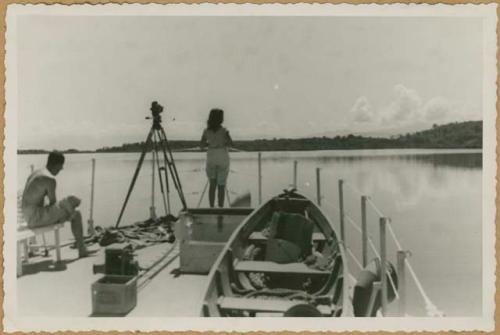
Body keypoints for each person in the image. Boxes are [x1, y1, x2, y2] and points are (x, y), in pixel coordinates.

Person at [21, 152, 89, 257]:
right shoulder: (50, 179)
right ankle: (82, 249)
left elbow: (48, 205)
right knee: (75, 210)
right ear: (56, 164)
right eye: (61, 165)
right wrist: (69, 206)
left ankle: (81, 247)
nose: (61, 169)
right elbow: (53, 203)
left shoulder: (36, 173)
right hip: (36, 218)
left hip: (28, 216)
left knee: (72, 210)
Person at [200, 108, 233, 208]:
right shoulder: (224, 130)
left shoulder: (206, 131)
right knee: (221, 186)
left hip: (211, 156)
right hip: (222, 156)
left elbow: (201, 145)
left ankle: (211, 207)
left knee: (212, 185)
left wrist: (209, 143)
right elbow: (231, 143)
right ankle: (220, 208)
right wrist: (222, 142)